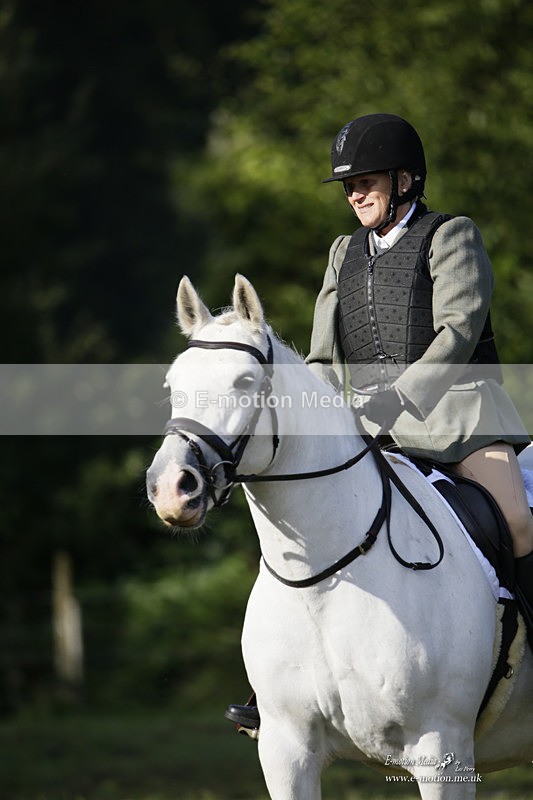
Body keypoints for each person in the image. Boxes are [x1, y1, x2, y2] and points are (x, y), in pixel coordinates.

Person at [225, 112, 533, 733]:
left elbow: (457, 332)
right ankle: (279, 688)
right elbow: (316, 357)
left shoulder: (451, 236)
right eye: (348, 185)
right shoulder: (343, 254)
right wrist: (315, 417)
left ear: (406, 180)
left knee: (519, 524)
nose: (355, 194)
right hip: (372, 430)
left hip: (460, 424)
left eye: (367, 181)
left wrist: (397, 398)